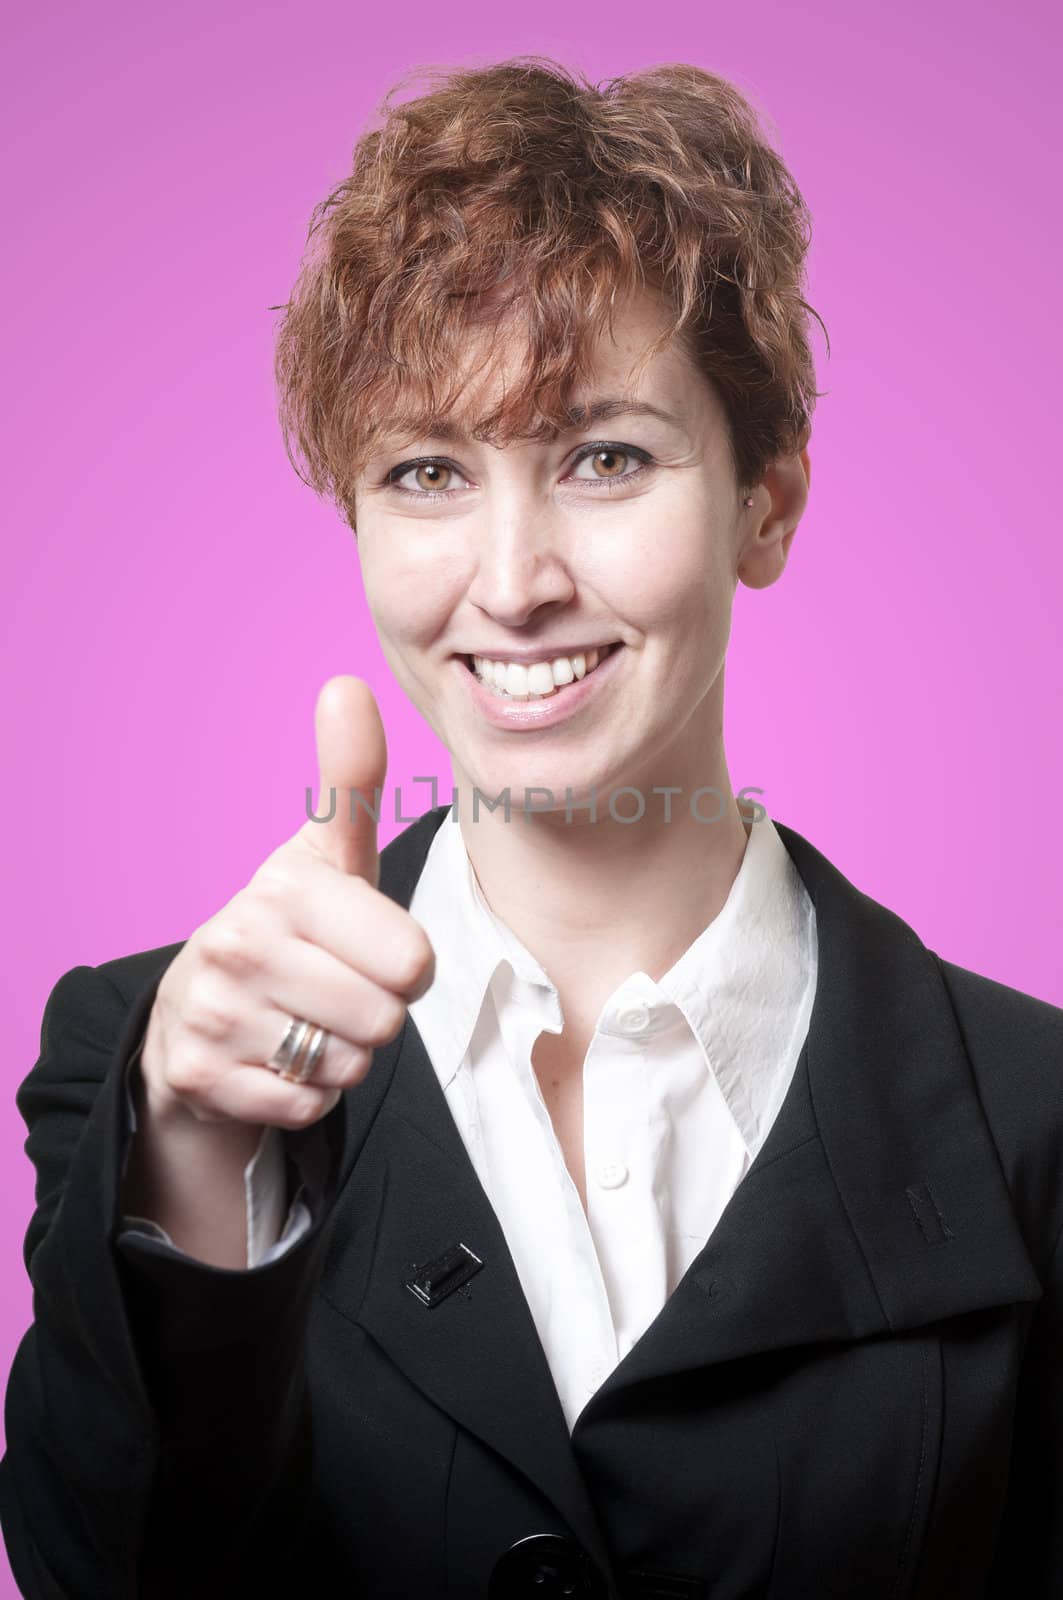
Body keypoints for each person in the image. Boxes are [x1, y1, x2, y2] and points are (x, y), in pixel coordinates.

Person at [1, 53, 1061, 1600]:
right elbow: (101, 1566)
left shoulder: (1034, 1120)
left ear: (768, 498)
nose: (511, 581)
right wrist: (206, 1168)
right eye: (427, 472)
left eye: (605, 457)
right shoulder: (151, 1064)